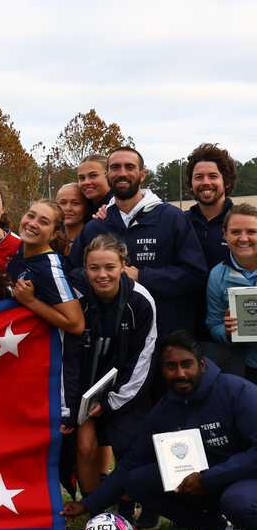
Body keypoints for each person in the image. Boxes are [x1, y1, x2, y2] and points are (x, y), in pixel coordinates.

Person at [63, 332, 257, 530]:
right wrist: (89, 504)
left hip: (246, 476)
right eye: (171, 367)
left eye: (186, 364)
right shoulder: (167, 407)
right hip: (208, 479)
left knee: (238, 501)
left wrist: (209, 478)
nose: (180, 374)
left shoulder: (238, 391)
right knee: (138, 481)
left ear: (202, 364)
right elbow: (133, 460)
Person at [70, 146, 208, 336]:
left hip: (165, 336)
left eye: (130, 167)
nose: (122, 173)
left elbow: (195, 274)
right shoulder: (96, 226)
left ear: (143, 174)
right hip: (111, 338)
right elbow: (73, 273)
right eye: (115, 167)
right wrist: (105, 276)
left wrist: (142, 276)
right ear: (108, 174)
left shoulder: (171, 218)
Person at [61, 234, 157, 502]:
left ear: (124, 265)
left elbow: (142, 359)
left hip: (123, 392)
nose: (102, 275)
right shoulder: (74, 296)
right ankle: (95, 511)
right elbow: (67, 356)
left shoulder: (140, 300)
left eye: (110, 267)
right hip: (84, 395)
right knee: (85, 446)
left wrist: (113, 401)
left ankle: (126, 515)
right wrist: (71, 405)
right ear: (85, 268)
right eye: (94, 268)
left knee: (127, 446)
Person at [6, 200, 85, 335]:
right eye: (30, 216)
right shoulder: (20, 250)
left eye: (43, 222)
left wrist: (31, 301)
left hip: (51, 349)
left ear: (54, 234)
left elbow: (76, 325)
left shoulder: (50, 269)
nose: (32, 224)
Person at [206, 203, 257, 382]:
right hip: (244, 367)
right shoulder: (217, 275)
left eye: (251, 232)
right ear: (225, 234)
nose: (243, 239)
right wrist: (227, 332)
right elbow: (213, 324)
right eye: (235, 232)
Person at [185, 143, 236, 272]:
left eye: (213, 176)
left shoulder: (243, 222)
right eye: (199, 177)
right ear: (191, 184)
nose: (206, 182)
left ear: (227, 182)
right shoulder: (180, 222)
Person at [55, 183, 90, 256]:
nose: (68, 208)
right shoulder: (51, 240)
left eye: (75, 203)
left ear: (86, 207)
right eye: (63, 203)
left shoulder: (92, 240)